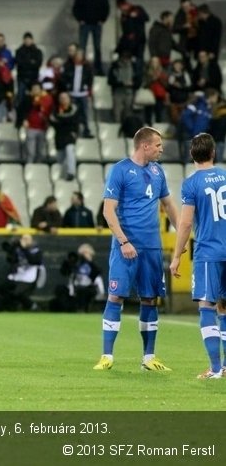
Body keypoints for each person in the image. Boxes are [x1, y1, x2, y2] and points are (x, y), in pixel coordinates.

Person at [94, 127, 179, 372]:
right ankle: (107, 356)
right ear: (144, 145)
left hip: (152, 247)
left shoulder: (158, 171)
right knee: (115, 296)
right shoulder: (120, 170)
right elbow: (108, 211)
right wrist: (123, 241)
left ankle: (149, 357)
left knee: (150, 299)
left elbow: (170, 206)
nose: (161, 149)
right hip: (125, 247)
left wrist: (183, 237)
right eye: (158, 145)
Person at [169, 133, 226, 379]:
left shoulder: (191, 184)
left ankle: (215, 368)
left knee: (207, 306)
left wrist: (177, 254)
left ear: (192, 154)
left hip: (208, 252)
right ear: (213, 153)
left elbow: (185, 223)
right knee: (224, 308)